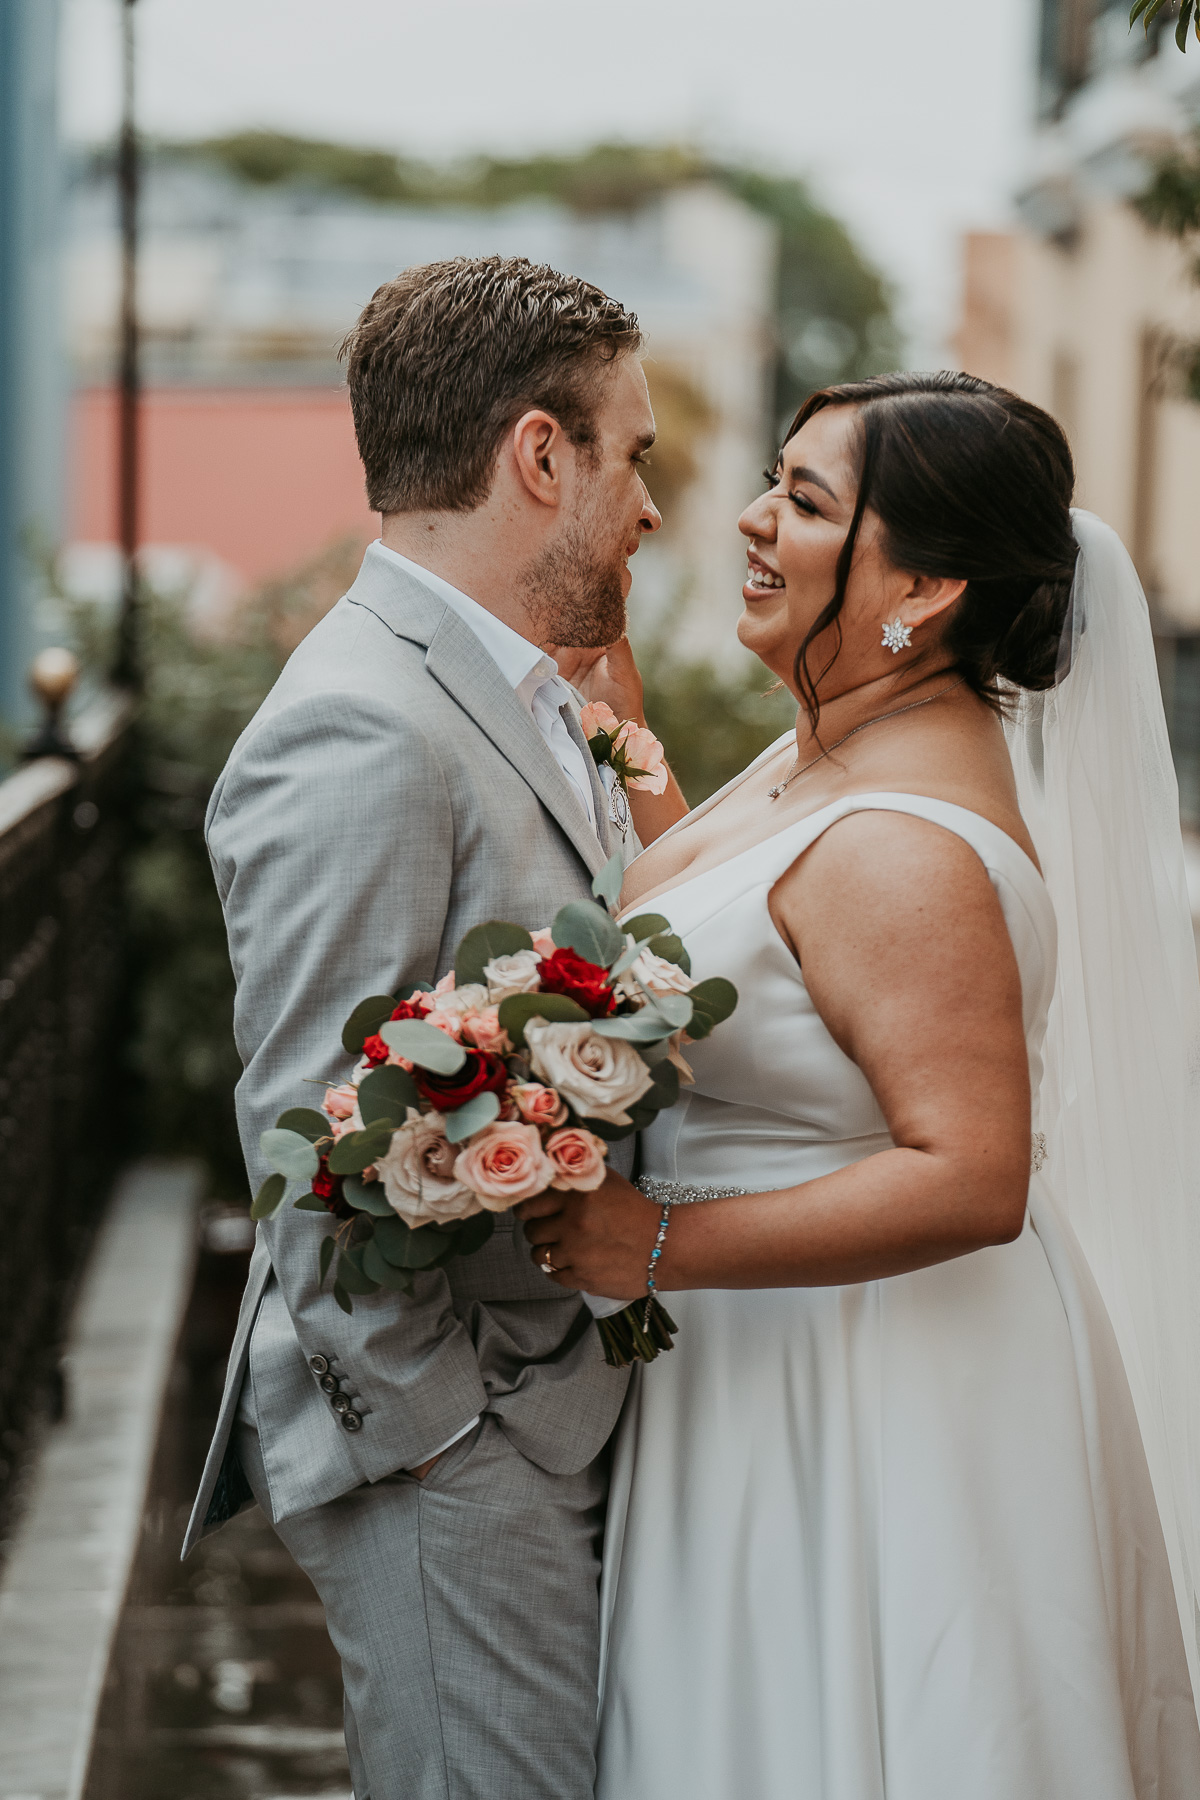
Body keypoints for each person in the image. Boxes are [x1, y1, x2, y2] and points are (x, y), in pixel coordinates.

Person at [519, 372, 1200, 1798]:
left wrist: (649, 1245)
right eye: (777, 479)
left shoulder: (910, 842)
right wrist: (627, 742)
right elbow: (755, 924)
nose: (755, 520)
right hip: (773, 1355)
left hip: (873, 1392)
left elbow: (973, 1173)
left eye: (810, 503)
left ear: (929, 586)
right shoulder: (837, 739)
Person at [181, 254, 666, 1800]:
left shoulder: (512, 689)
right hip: (452, 1452)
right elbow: (308, 1134)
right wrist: (453, 1442)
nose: (651, 507)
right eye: (634, 455)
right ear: (541, 454)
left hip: (539, 1409)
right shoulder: (360, 724)